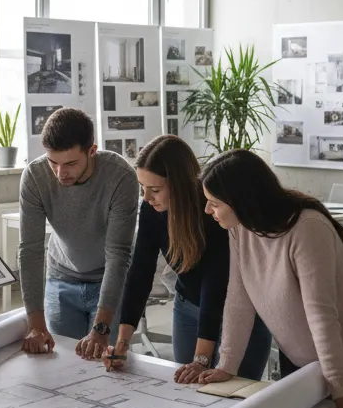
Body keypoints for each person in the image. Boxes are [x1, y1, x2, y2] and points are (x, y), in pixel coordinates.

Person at [196, 150, 343, 408]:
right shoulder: (239, 226)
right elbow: (239, 298)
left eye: (214, 203)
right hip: (297, 353)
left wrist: (341, 390)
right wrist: (226, 365)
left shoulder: (307, 228)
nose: (207, 210)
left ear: (239, 200)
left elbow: (320, 314)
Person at [102, 136, 271, 383]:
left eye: (156, 189)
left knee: (230, 396)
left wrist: (202, 358)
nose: (146, 197)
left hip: (235, 313)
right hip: (187, 307)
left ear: (179, 185)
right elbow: (140, 272)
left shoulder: (213, 211)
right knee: (186, 391)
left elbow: (215, 285)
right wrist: (122, 343)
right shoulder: (151, 208)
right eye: (142, 187)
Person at [18, 107, 138, 359]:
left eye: (71, 163)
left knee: (107, 364)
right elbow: (29, 251)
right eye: (54, 163)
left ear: (91, 151)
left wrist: (102, 326)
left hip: (108, 281)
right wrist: (35, 325)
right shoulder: (35, 176)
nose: (61, 173)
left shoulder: (120, 176)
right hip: (61, 279)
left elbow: (118, 254)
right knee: (63, 364)